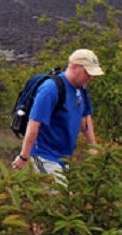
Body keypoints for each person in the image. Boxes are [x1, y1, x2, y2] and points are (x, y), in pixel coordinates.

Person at [11, 49, 101, 180]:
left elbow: (85, 118)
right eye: (88, 73)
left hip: (64, 158)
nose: (91, 77)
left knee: (65, 197)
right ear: (74, 67)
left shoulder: (81, 90)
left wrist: (94, 148)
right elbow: (34, 124)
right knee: (59, 197)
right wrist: (24, 157)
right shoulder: (50, 89)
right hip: (44, 155)